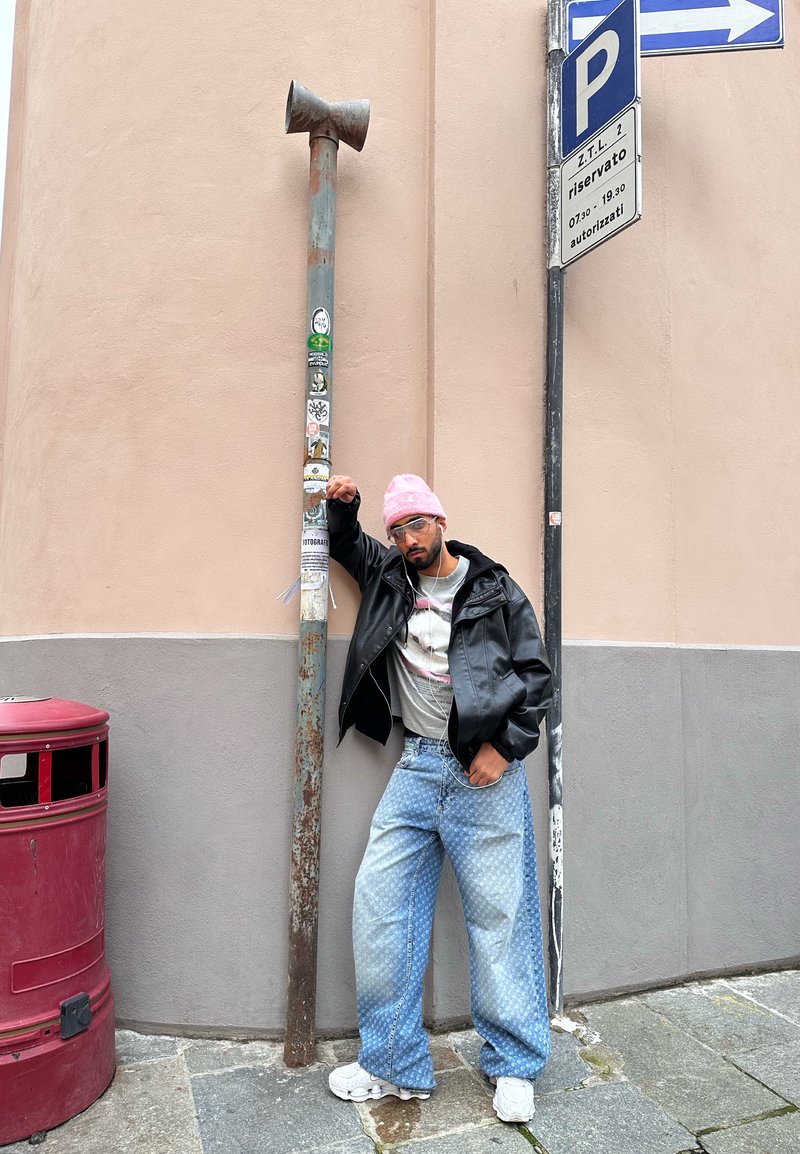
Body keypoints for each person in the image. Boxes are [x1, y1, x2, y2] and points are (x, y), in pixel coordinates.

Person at [325, 473, 553, 1124]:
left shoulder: (494, 588)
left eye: (416, 524)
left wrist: (502, 748)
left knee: (500, 920)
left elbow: (536, 679)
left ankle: (514, 1066)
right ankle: (393, 1065)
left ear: (439, 522)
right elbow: (346, 545)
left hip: (485, 773)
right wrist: (344, 510)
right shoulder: (391, 576)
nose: (406, 539)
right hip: (418, 766)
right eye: (396, 530)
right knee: (380, 908)